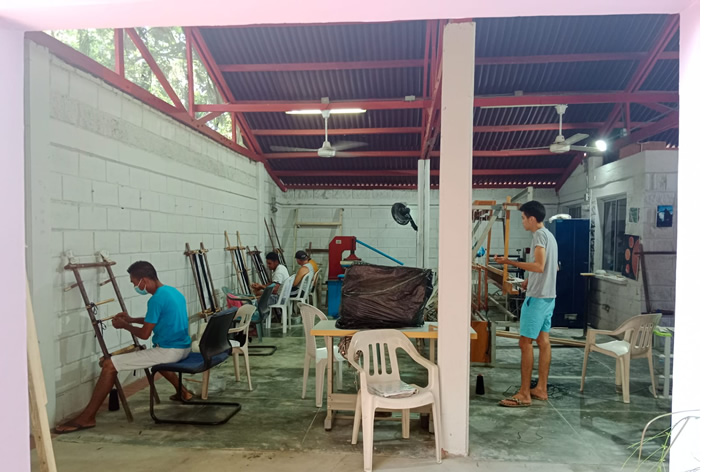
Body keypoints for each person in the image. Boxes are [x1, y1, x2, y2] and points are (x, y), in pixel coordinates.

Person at [55, 261, 193, 433]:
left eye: (134, 282)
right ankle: (184, 392)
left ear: (143, 280)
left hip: (170, 351)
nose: (135, 286)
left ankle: (87, 417)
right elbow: (156, 319)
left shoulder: (156, 299)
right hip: (184, 347)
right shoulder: (171, 292)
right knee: (154, 357)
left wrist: (123, 326)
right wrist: (131, 319)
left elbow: (144, 334)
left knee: (109, 365)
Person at [494, 200, 558, 408]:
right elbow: (550, 267)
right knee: (543, 341)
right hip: (548, 296)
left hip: (538, 298)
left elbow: (539, 265)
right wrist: (528, 280)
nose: (522, 221)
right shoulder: (550, 236)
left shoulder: (539, 235)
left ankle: (524, 394)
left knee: (525, 343)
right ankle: (541, 388)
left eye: (523, 218)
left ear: (532, 218)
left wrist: (509, 262)